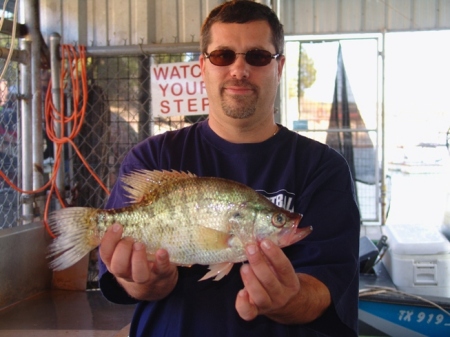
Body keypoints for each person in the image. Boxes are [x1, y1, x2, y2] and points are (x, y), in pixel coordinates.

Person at [98, 1, 360, 336]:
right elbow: (128, 282)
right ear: (202, 67)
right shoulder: (152, 157)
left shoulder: (323, 168)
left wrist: (290, 300)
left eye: (257, 56)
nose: (239, 69)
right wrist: (146, 282)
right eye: (223, 56)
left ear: (279, 67)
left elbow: (328, 283)